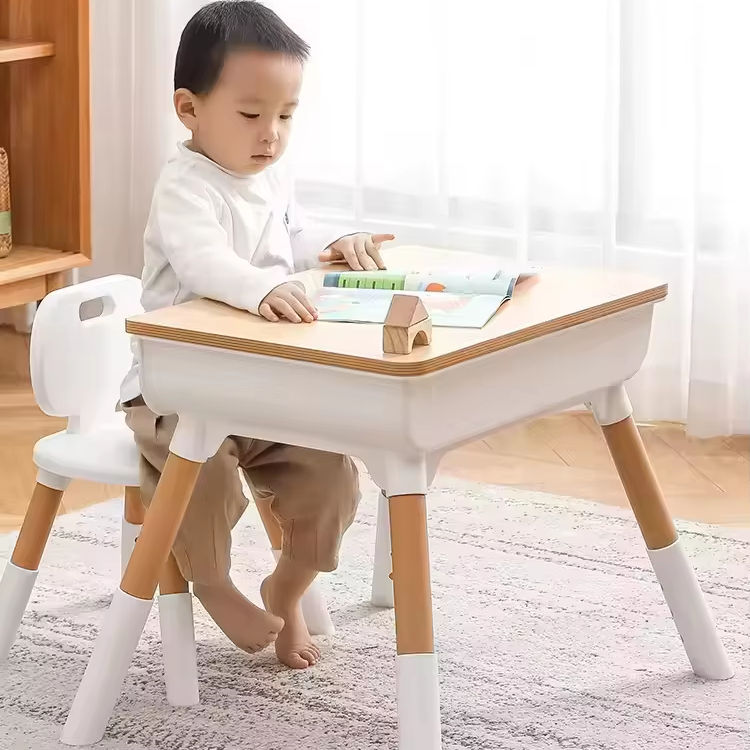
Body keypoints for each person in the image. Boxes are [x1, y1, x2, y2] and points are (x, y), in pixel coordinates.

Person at [120, 0, 395, 669]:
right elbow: (203, 262)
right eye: (251, 115)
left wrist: (336, 241)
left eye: (286, 115)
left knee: (331, 475)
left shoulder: (269, 177)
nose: (271, 134)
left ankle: (287, 589)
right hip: (177, 393)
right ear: (189, 109)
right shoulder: (184, 187)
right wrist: (261, 288)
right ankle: (214, 584)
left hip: (262, 391)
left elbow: (293, 234)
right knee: (202, 477)